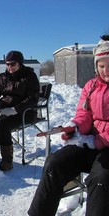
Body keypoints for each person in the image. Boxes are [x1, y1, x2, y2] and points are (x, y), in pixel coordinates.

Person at [28, 35, 109, 216]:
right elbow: (84, 114)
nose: (106, 70)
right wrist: (75, 127)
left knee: (101, 178)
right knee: (55, 162)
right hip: (90, 142)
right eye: (102, 66)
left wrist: (94, 141)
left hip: (104, 147)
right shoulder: (91, 86)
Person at [0, 50, 40, 171]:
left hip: (25, 112)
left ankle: (7, 161)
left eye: (13, 64)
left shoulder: (29, 76)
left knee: (2, 124)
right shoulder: (3, 77)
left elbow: (33, 99)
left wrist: (15, 109)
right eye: (8, 64)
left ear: (20, 63)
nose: (10, 67)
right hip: (5, 110)